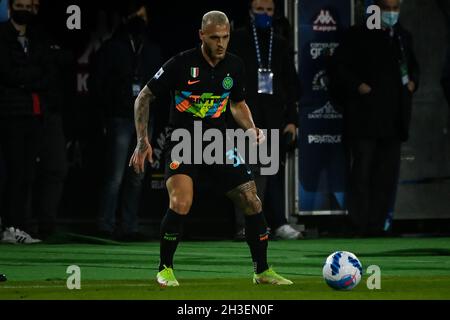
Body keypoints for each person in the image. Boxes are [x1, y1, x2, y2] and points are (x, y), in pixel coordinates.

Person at [129, 11, 293, 286]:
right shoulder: (180, 64)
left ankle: (262, 271)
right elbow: (144, 96)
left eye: (225, 37)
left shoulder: (235, 66)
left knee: (252, 200)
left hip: (218, 142)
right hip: (184, 141)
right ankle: (165, 268)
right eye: (215, 37)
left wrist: (251, 128)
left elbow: (237, 104)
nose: (221, 43)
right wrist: (143, 141)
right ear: (202, 36)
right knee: (181, 202)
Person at [332, 0, 419, 237]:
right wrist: (358, 86)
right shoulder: (358, 35)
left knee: (386, 177)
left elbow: (413, 67)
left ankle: (379, 225)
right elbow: (339, 68)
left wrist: (412, 83)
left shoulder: (401, 36)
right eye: (387, 8)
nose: (392, 13)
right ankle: (358, 225)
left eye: (395, 8)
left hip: (393, 120)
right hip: (364, 120)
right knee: (362, 174)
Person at [228, 0, 301, 240]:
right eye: (260, 10)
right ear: (250, 11)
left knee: (273, 172)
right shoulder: (237, 40)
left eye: (269, 10)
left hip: (273, 119)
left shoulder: (280, 43)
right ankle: (244, 225)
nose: (265, 15)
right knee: (245, 173)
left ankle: (278, 222)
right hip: (244, 116)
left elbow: (291, 86)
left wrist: (292, 120)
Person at [91, 0, 162, 240]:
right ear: (125, 19)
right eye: (135, 15)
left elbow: (160, 86)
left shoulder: (152, 50)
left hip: (145, 120)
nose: (139, 20)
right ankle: (105, 224)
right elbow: (98, 84)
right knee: (115, 175)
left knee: (138, 175)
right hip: (120, 118)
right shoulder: (112, 48)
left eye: (143, 15)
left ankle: (129, 226)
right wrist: (108, 110)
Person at [0, 0, 50, 244]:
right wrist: (30, 76)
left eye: (29, 5)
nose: (25, 9)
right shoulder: (2, 36)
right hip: (10, 113)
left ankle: (19, 225)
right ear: (10, 7)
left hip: (34, 113)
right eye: (20, 4)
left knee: (28, 173)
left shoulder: (37, 37)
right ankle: (9, 226)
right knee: (14, 172)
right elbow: (8, 73)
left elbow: (47, 71)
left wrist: (26, 78)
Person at [31, 0, 71, 240]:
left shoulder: (60, 32)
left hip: (52, 112)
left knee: (56, 168)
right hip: (21, 112)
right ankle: (18, 224)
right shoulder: (29, 36)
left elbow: (65, 62)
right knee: (20, 173)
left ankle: (46, 224)